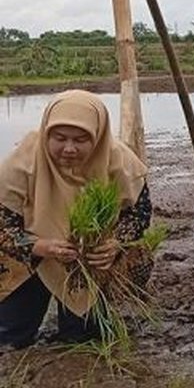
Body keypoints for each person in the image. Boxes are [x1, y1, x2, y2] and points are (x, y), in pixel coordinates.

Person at [0, 91, 150, 348]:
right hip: (32, 256)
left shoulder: (119, 161)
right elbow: (3, 224)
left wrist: (114, 244)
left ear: (98, 136)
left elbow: (139, 215)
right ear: (46, 133)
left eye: (81, 140)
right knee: (10, 336)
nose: (69, 149)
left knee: (83, 338)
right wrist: (38, 246)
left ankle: (87, 315)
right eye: (59, 138)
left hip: (90, 261)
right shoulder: (22, 162)